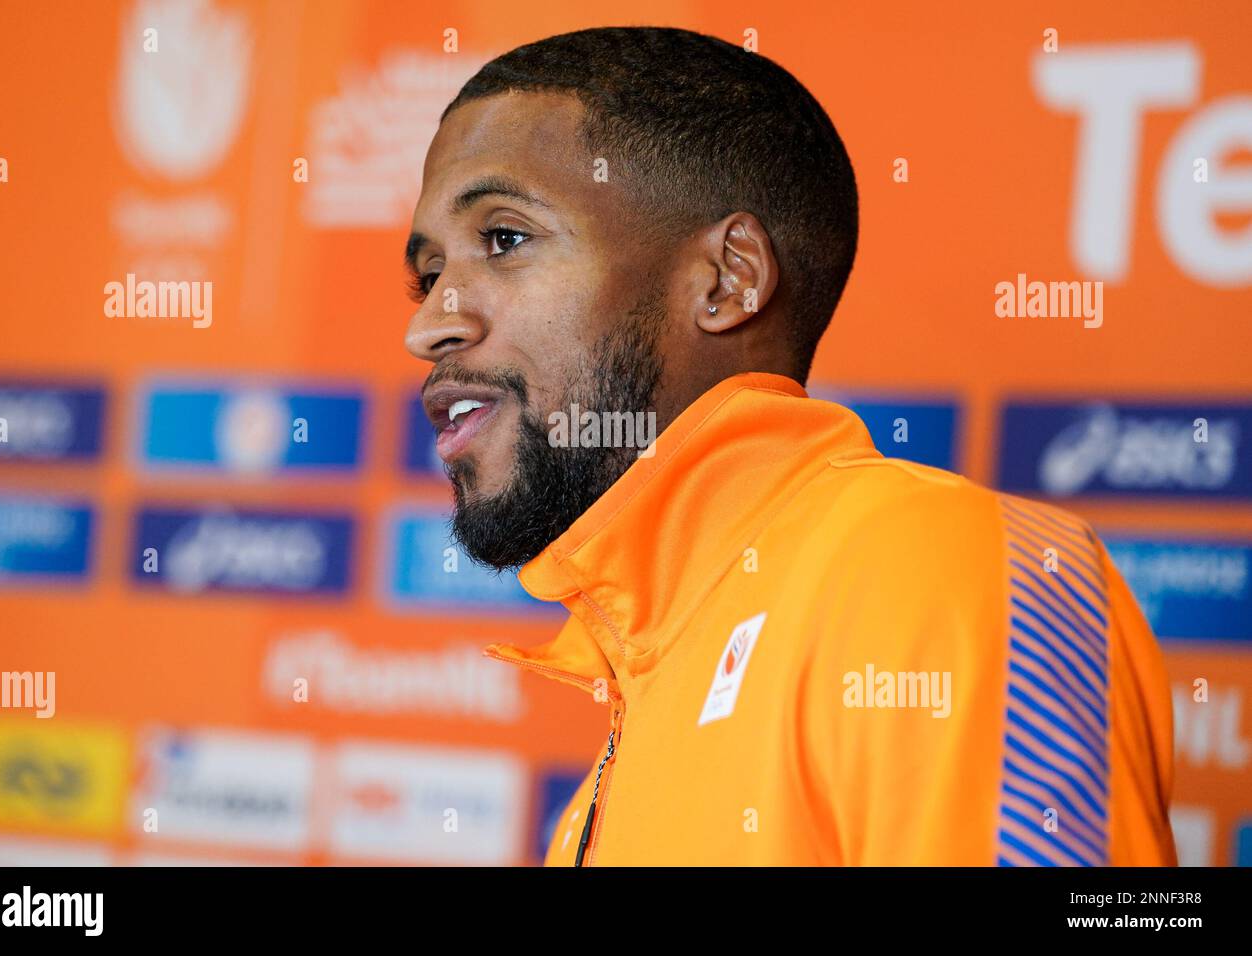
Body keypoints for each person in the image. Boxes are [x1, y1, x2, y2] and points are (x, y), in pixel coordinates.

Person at [402, 26, 1177, 866]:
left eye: (505, 238)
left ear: (728, 279)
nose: (429, 323)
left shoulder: (931, 564)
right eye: (429, 272)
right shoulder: (594, 794)